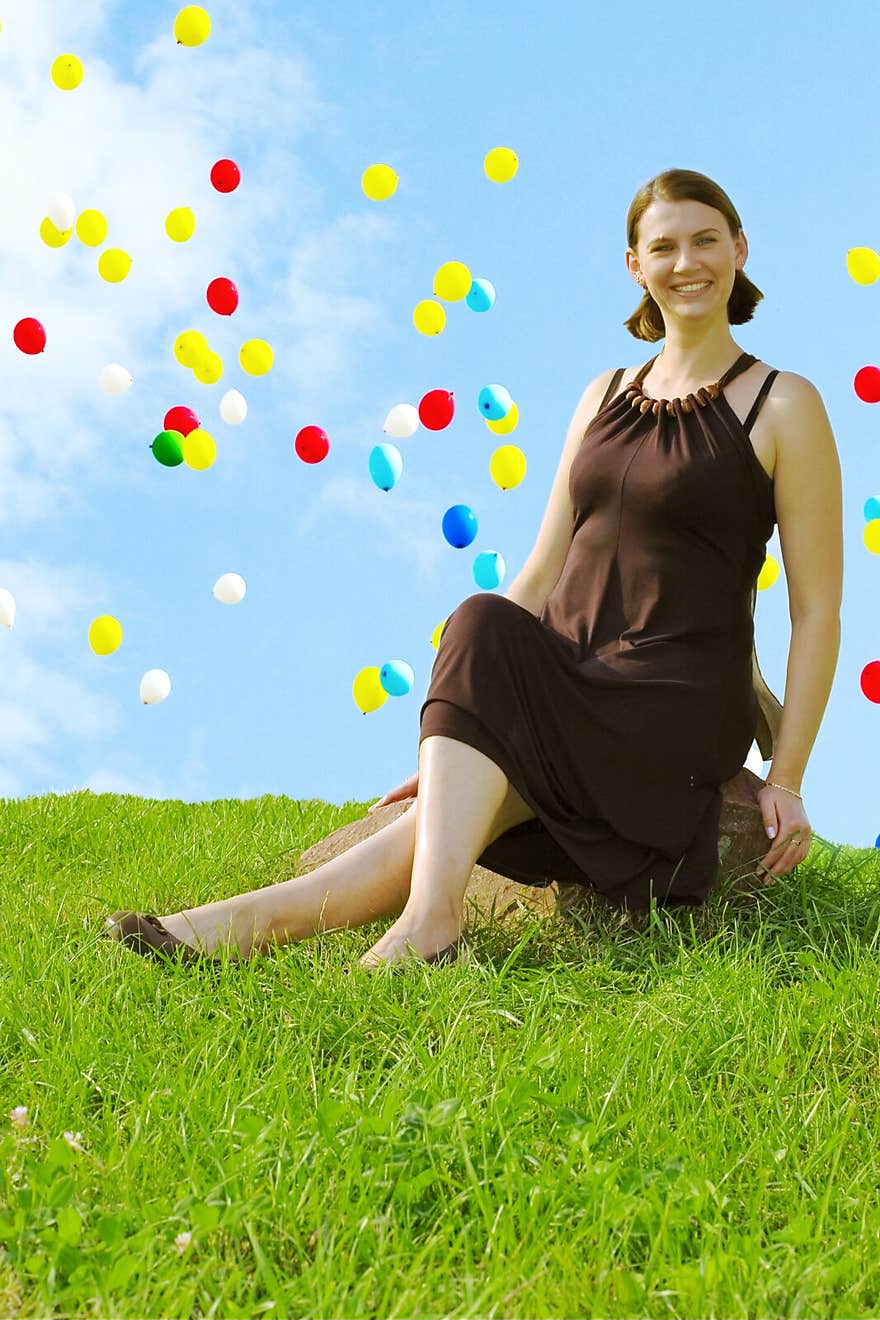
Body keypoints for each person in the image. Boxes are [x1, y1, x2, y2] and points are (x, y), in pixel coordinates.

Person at [107, 167, 843, 973]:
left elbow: (817, 612)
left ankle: (375, 928)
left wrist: (789, 776)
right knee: (481, 616)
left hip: (671, 699)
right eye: (662, 245)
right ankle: (260, 931)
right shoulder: (604, 393)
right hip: (569, 670)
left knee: (481, 685)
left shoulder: (783, 404)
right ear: (635, 266)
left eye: (706, 240)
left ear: (739, 250)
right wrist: (456, 731)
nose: (687, 261)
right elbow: (539, 572)